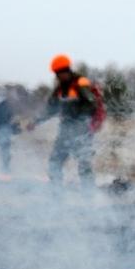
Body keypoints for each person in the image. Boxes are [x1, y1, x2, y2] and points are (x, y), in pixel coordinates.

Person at [29, 54, 97, 188]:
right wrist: (35, 121)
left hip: (81, 130)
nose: (57, 77)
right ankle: (56, 194)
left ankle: (88, 196)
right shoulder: (60, 89)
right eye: (56, 74)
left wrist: (77, 116)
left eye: (58, 74)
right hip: (65, 130)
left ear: (65, 71)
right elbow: (50, 109)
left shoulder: (80, 83)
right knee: (55, 161)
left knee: (83, 164)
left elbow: (91, 105)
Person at [0, 90, 17, 174]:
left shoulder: (3, 106)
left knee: (5, 149)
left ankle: (6, 167)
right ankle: (5, 167)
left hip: (4, 130)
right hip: (1, 130)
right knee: (3, 149)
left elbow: (8, 117)